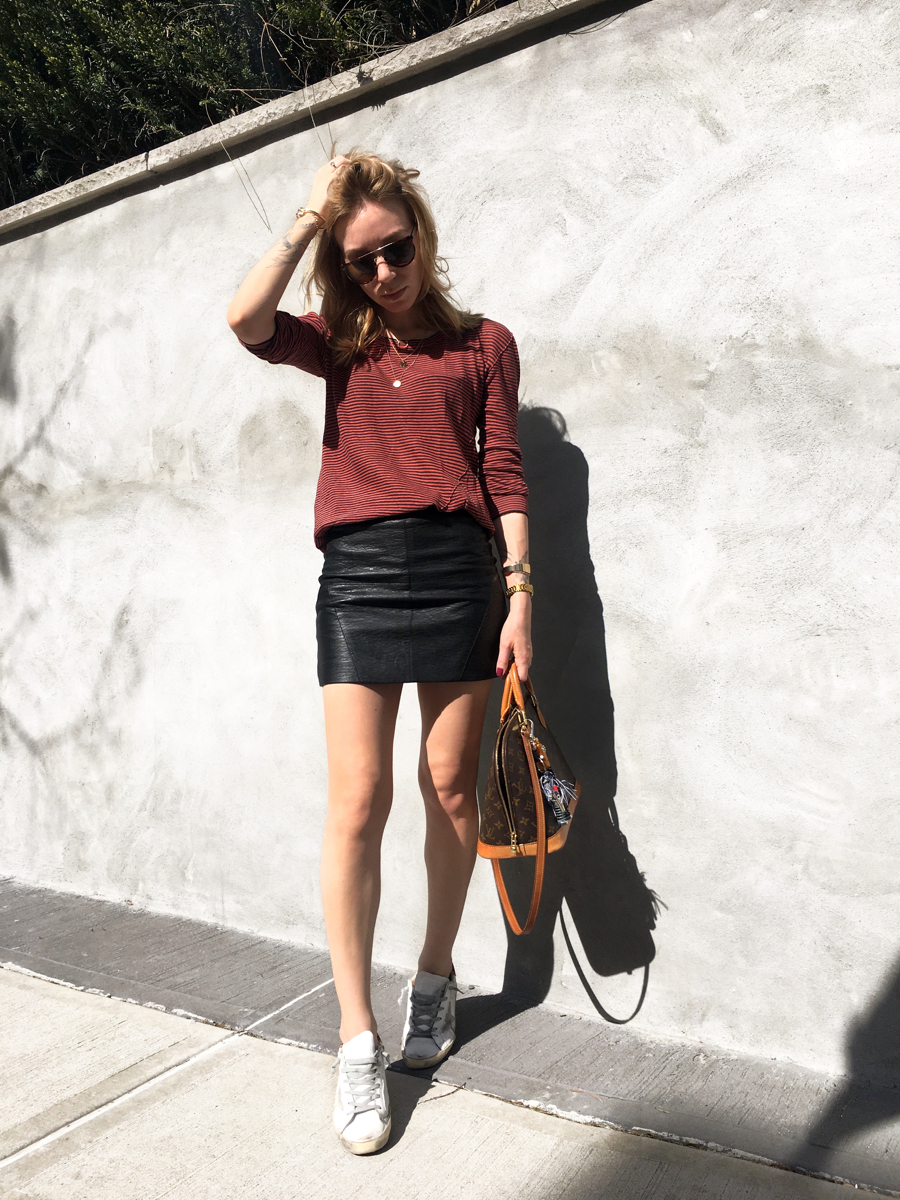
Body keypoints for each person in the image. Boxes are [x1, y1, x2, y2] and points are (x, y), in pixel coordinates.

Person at [226, 151, 532, 1154]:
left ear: (423, 238)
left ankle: (434, 978)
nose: (384, 271)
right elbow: (245, 320)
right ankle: (356, 1039)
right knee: (358, 797)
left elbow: (505, 469)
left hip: (459, 569)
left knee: (451, 787)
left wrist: (522, 596)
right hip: (358, 573)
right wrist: (311, 215)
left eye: (396, 249)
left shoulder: (485, 343)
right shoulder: (336, 345)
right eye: (359, 260)